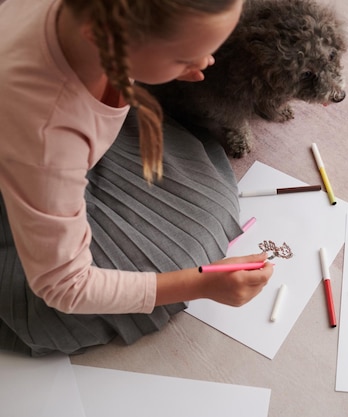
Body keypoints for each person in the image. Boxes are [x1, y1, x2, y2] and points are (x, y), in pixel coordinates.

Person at [0, 0, 273, 356]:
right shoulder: (49, 136)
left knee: (205, 210)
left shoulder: (97, 27)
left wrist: (171, 61)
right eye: (188, 56)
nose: (206, 64)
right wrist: (199, 284)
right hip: (25, 177)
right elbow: (64, 286)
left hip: (56, 148)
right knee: (184, 248)